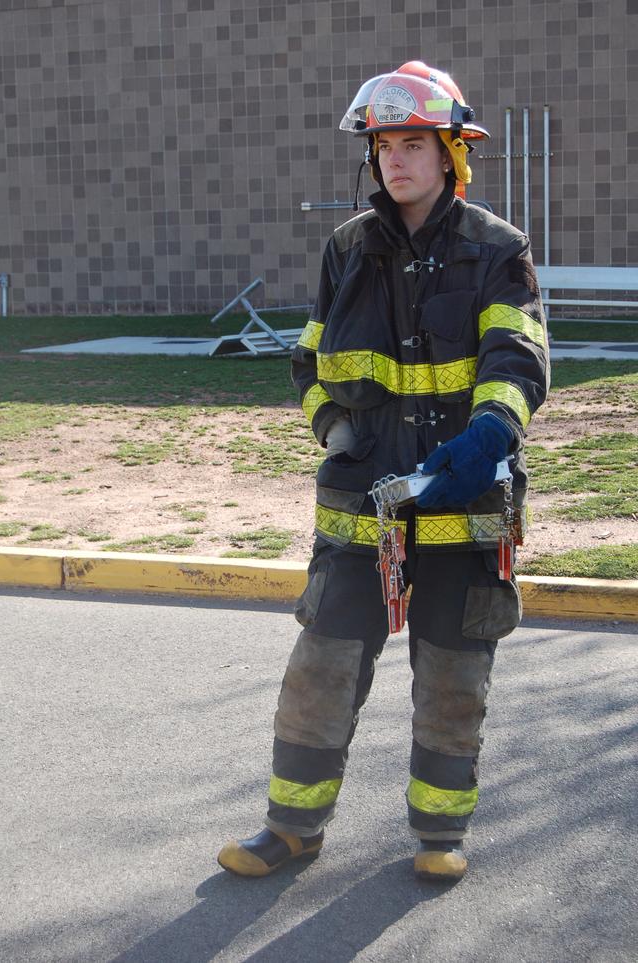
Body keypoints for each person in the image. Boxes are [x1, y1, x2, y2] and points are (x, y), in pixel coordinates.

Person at [218, 61, 549, 881]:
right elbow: (308, 357)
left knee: (451, 680)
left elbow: (520, 353)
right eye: (382, 145)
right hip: (359, 509)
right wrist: (333, 429)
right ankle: (292, 827)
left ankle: (439, 835)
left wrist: (491, 432)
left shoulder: (498, 250)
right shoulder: (346, 249)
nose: (394, 159)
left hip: (463, 504)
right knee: (320, 670)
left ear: (449, 154)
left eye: (412, 143)